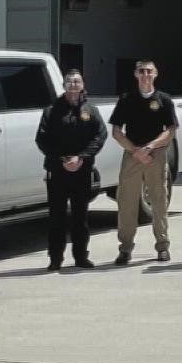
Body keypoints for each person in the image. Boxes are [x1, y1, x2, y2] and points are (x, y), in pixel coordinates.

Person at [107, 60, 178, 266]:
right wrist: (135, 150)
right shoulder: (126, 99)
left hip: (156, 155)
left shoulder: (164, 100)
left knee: (159, 201)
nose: (145, 75)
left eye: (149, 71)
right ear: (136, 75)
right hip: (132, 155)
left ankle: (163, 246)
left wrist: (150, 147)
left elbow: (171, 130)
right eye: (142, 71)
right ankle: (125, 248)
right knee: (127, 202)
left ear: (156, 74)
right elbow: (116, 131)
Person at [35, 70, 106, 271]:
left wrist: (81, 157)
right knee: (56, 216)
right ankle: (55, 258)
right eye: (69, 81)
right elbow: (42, 139)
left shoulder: (91, 110)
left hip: (82, 171)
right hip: (57, 171)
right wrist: (62, 159)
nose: (73, 84)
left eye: (77, 81)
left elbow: (100, 136)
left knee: (80, 216)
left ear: (83, 85)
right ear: (64, 85)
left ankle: (81, 256)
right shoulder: (51, 110)